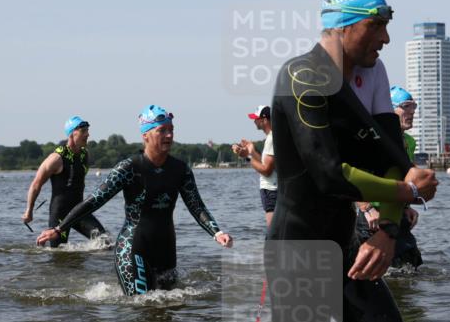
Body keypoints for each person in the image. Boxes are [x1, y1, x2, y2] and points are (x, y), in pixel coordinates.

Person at [266, 0, 439, 322]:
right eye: (376, 25)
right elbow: (328, 174)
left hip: (346, 246)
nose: (386, 38)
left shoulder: (373, 72)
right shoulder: (302, 75)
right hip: (300, 250)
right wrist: (408, 191)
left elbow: (394, 160)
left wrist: (388, 231)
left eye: (387, 25)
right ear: (343, 26)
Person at [37, 106, 233, 295]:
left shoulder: (181, 169)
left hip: (166, 249)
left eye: (171, 130)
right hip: (132, 248)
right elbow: (94, 200)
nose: (169, 135)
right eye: (162, 130)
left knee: (168, 309)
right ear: (145, 135)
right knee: (142, 304)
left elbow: (196, 205)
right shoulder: (129, 168)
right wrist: (59, 229)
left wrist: (217, 233)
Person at [355, 86, 423, 270]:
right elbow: (353, 174)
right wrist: (367, 208)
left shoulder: (409, 142)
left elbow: (404, 178)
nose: (412, 112)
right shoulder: (373, 139)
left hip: (397, 214)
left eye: (414, 106)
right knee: (373, 272)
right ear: (389, 110)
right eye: (406, 106)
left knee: (412, 266)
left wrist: (407, 206)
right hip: (373, 217)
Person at [23, 116, 107, 247]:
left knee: (105, 242)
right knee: (57, 253)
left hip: (79, 211)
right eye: (83, 131)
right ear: (73, 133)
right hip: (59, 214)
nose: (87, 134)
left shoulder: (84, 155)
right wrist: (29, 211)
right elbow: (36, 184)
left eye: (87, 131)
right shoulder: (56, 159)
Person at [232, 106, 277, 227]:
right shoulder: (271, 137)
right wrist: (251, 151)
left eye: (256, 118)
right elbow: (264, 163)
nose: (254, 121)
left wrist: (246, 157)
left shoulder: (271, 139)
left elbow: (266, 170)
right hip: (271, 190)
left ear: (265, 120)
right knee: (275, 232)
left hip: (271, 190)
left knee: (274, 232)